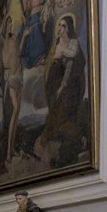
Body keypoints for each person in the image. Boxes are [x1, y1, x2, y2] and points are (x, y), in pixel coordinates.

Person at [43, 13, 88, 168]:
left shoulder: (72, 45)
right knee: (54, 122)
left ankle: (80, 136)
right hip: (54, 86)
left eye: (63, 26)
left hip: (67, 88)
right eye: (59, 25)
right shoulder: (56, 45)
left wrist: (62, 86)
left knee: (61, 121)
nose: (60, 28)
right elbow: (50, 68)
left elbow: (69, 70)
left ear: (68, 29)